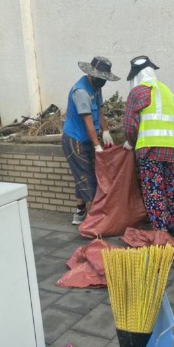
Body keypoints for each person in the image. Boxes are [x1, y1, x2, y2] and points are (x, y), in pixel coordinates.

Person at [122, 56, 174, 236]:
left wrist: (130, 141)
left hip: (150, 150)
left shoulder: (138, 92)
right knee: (173, 188)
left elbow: (129, 124)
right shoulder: (168, 91)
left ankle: (161, 230)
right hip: (173, 148)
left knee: (154, 190)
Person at [62, 56, 119, 225]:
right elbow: (87, 121)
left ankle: (80, 213)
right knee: (87, 177)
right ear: (91, 75)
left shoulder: (95, 87)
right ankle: (96, 218)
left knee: (83, 175)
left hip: (87, 137)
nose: (103, 82)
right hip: (75, 139)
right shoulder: (81, 91)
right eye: (101, 78)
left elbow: (99, 110)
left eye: (105, 79)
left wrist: (105, 130)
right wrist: (97, 145)